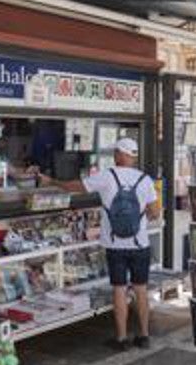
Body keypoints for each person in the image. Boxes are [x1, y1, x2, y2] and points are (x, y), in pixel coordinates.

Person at [40, 138, 160, 351]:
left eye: (116, 152)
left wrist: (51, 182)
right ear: (133, 156)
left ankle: (121, 338)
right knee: (141, 289)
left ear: (120, 155)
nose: (114, 156)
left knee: (119, 290)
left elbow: (75, 187)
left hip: (115, 245)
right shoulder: (145, 180)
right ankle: (143, 336)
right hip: (140, 243)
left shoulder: (107, 176)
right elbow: (154, 212)